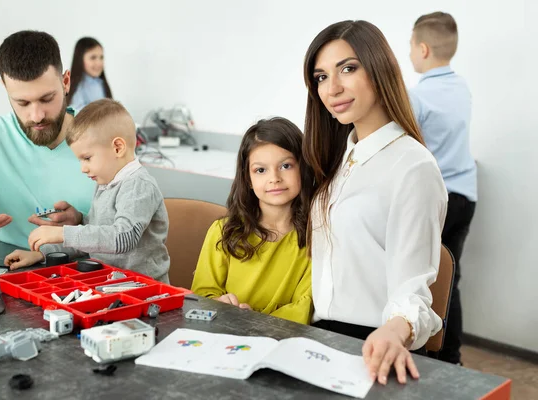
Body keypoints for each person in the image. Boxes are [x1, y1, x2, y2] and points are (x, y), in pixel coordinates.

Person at [302, 20, 448, 384]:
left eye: (348, 69)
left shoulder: (413, 167)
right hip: (319, 337)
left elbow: (412, 287)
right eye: (321, 77)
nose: (332, 88)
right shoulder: (340, 158)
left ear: (379, 70)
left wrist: (395, 331)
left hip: (370, 348)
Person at [0, 30, 94, 248]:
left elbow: (134, 225)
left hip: (98, 276)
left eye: (47, 98)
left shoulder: (103, 136)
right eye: (23, 103)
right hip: (13, 275)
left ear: (65, 82)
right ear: (5, 87)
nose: (37, 115)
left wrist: (81, 223)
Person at [4, 99, 170, 283]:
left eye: (87, 158)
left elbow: (123, 237)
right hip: (109, 284)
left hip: (145, 290)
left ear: (118, 148)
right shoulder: (105, 184)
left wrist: (63, 233)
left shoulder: (138, 186)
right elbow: (91, 240)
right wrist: (42, 254)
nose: (83, 168)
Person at [191, 118, 313, 324]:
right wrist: (222, 304)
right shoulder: (222, 231)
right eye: (261, 170)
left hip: (284, 339)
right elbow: (202, 295)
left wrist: (254, 321)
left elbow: (305, 305)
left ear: (303, 168)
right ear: (248, 178)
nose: (274, 178)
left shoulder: (315, 236)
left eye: (285, 165)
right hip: (228, 333)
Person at [408, 12, 477, 365]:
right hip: (467, 194)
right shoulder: (461, 88)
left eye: (410, 46)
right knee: (452, 277)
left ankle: (430, 356)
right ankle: (452, 358)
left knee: (423, 277)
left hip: (439, 199)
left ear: (422, 49)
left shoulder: (418, 95)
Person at [68, 37, 113, 112]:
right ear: (80, 60)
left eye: (101, 57)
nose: (99, 63)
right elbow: (77, 114)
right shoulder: (77, 87)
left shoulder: (100, 83)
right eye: (93, 57)